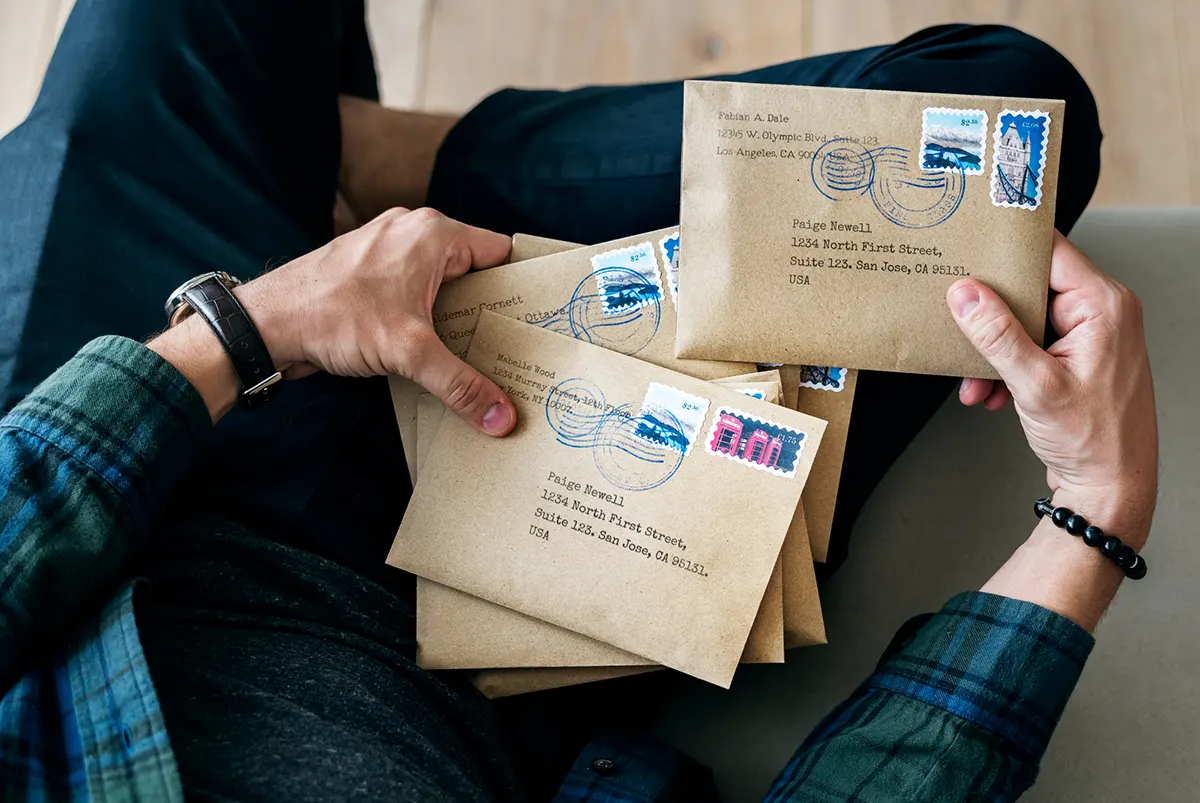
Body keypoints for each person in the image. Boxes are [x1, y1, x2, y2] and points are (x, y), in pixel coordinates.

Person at [0, 1, 1156, 801]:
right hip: (504, 610)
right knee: (1002, 113)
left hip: (130, 500)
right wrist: (1092, 514)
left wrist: (244, 327)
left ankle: (342, 177)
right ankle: (364, 162)